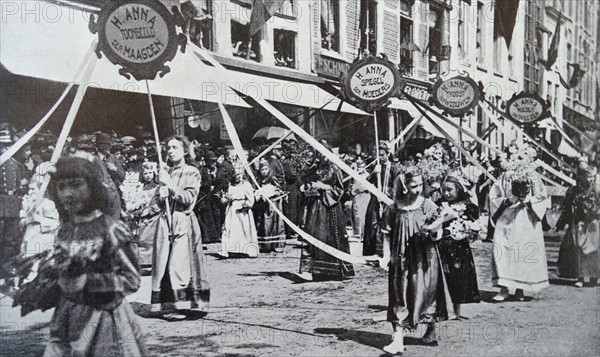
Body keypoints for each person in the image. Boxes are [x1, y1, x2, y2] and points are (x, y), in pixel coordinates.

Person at [44, 153, 147, 356]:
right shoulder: (64, 230)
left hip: (103, 319)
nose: (68, 194)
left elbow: (132, 279)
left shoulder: (111, 229)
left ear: (92, 187)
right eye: (61, 186)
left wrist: (89, 282)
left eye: (76, 185)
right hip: (67, 317)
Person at [383, 166, 452, 354]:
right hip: (400, 257)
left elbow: (438, 234)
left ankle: (431, 330)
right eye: (414, 186)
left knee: (424, 291)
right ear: (404, 186)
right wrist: (385, 255)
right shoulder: (393, 207)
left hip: (424, 256)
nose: (419, 189)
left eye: (421, 184)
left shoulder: (427, 204)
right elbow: (386, 234)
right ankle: (397, 338)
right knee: (399, 293)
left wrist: (435, 229)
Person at [151, 135, 210, 320]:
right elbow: (155, 204)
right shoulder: (165, 172)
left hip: (182, 220)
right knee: (162, 263)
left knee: (179, 264)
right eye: (168, 147)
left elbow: (188, 199)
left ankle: (184, 306)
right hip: (165, 221)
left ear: (184, 150)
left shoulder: (191, 172)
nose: (170, 151)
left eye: (175, 147)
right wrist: (161, 196)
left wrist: (171, 186)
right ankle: (168, 305)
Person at [488, 150, 550, 302]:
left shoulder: (534, 177)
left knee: (522, 251)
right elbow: (494, 195)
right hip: (507, 217)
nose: (517, 159)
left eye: (521, 157)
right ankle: (503, 287)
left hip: (525, 218)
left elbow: (542, 195)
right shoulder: (506, 176)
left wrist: (528, 201)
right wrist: (508, 200)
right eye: (515, 156)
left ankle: (520, 288)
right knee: (503, 248)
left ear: (530, 160)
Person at [298, 151, 354, 281]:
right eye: (319, 154)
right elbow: (309, 184)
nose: (321, 157)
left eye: (323, 154)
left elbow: (340, 190)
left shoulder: (334, 168)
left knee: (331, 237)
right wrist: (309, 188)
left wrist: (324, 187)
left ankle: (335, 271)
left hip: (330, 209)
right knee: (315, 236)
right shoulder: (314, 169)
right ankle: (317, 270)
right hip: (315, 208)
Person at [435, 175, 481, 319]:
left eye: (450, 190)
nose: (446, 193)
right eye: (444, 190)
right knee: (443, 277)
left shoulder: (467, 206)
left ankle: (457, 310)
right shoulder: (439, 205)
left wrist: (470, 231)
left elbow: (474, 225)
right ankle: (442, 310)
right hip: (443, 246)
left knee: (458, 277)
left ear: (458, 189)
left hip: (459, 247)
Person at [556, 163, 599, 287]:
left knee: (593, 250)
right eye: (583, 176)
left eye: (589, 176)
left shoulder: (596, 191)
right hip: (578, 223)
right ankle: (579, 277)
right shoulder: (573, 191)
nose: (586, 180)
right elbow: (566, 209)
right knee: (577, 249)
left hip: (593, 224)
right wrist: (561, 224)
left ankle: (594, 276)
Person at [18, 178, 59, 283]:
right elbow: (24, 221)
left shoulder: (48, 204)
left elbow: (55, 223)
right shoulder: (29, 203)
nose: (30, 192)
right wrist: (24, 219)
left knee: (37, 264)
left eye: (33, 189)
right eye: (29, 189)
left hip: (41, 238)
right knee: (27, 259)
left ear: (41, 190)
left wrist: (39, 219)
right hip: (29, 236)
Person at [220, 171, 259, 258]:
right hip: (232, 209)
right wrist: (226, 199)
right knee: (229, 228)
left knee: (244, 229)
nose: (239, 176)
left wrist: (246, 206)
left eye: (240, 174)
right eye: (237, 174)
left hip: (242, 209)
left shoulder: (246, 185)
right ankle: (228, 249)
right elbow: (228, 197)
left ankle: (247, 250)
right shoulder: (231, 185)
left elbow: (251, 199)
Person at [131, 162, 161, 269]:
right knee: (139, 238)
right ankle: (142, 262)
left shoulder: (157, 187)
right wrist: (136, 210)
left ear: (154, 173)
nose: (148, 175)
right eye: (145, 174)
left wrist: (150, 210)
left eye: (150, 173)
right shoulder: (141, 187)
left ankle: (151, 262)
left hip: (153, 215)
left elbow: (158, 202)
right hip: (141, 215)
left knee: (150, 239)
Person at [255, 160, 286, 253]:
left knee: (274, 222)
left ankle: (276, 244)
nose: (264, 171)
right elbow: (256, 189)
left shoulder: (272, 178)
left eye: (265, 169)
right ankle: (265, 245)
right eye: (262, 170)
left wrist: (274, 192)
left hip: (273, 204)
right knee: (264, 223)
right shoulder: (258, 180)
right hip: (263, 205)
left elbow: (280, 190)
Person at [195, 151, 222, 244]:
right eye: (211, 161)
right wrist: (208, 186)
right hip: (206, 196)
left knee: (217, 215)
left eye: (214, 161)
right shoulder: (203, 170)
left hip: (216, 196)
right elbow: (200, 183)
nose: (213, 163)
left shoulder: (218, 169)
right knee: (207, 216)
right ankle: (209, 237)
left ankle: (218, 235)